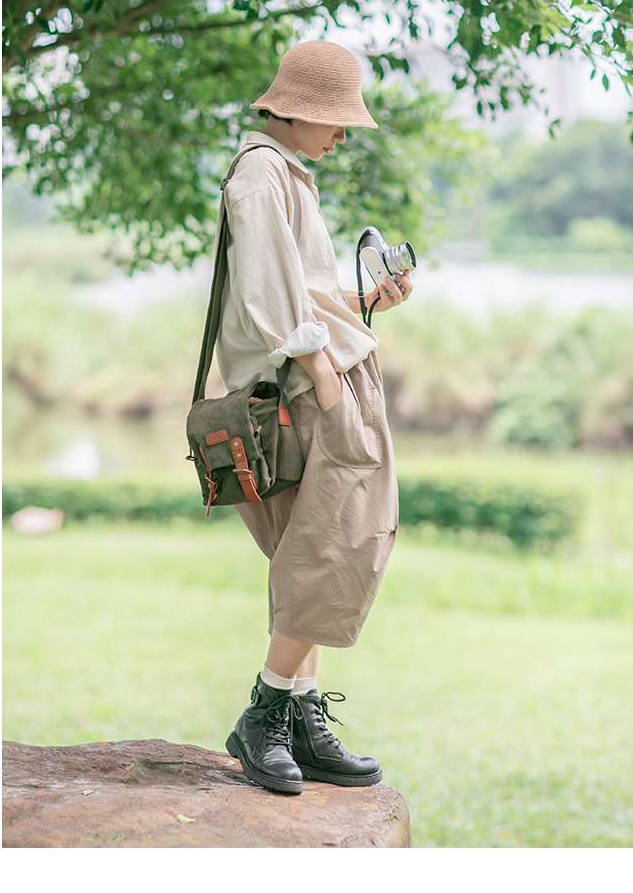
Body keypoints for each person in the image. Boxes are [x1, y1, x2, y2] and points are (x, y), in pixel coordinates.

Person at [216, 39, 414, 795]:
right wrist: (324, 375)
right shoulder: (263, 175)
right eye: (335, 119)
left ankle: (297, 713)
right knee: (336, 544)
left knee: (319, 546)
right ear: (295, 110)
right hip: (305, 389)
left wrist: (364, 306)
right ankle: (266, 711)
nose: (342, 133)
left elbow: (301, 292)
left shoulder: (283, 175)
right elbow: (270, 301)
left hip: (312, 378)